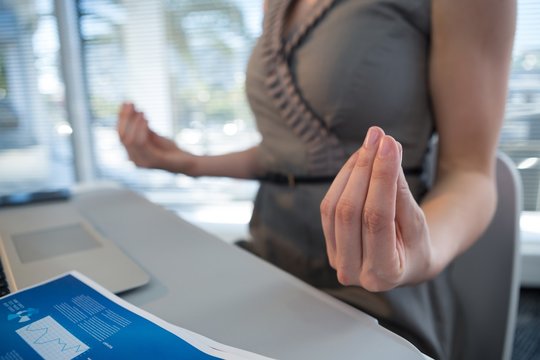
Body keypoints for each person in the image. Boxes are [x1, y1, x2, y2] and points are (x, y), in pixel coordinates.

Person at [117, 0, 516, 358]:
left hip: (375, 284)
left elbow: (470, 173)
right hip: (270, 255)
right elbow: (289, 151)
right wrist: (190, 163)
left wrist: (417, 254)